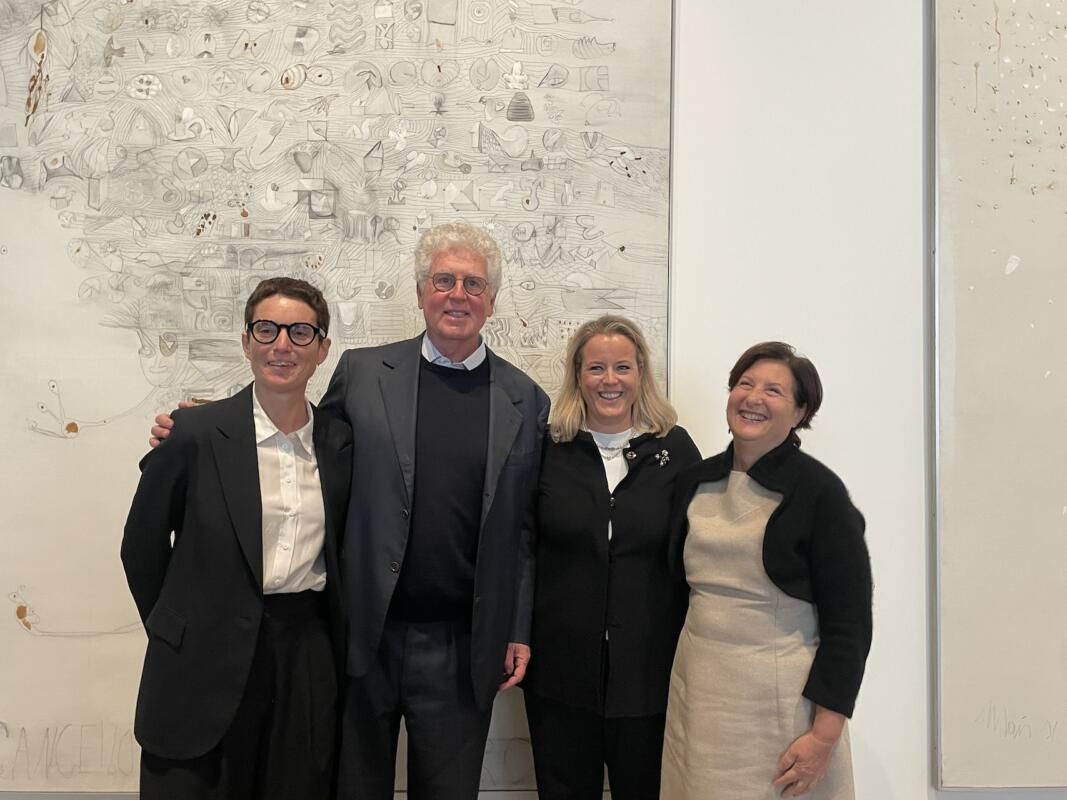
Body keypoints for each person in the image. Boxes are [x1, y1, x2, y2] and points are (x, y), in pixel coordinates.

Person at [150, 223, 549, 799]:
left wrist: (517, 629)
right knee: (351, 788)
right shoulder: (362, 373)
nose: (457, 294)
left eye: (473, 283)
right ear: (420, 292)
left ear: (492, 299)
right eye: (443, 280)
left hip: (462, 647)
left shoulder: (525, 399)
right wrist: (207, 425)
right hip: (361, 633)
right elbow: (307, 441)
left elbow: (525, 532)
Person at [121, 277, 352, 799]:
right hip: (200, 657)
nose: (282, 345)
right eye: (266, 329)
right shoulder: (193, 433)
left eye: (300, 332)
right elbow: (141, 545)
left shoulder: (341, 444)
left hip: (303, 659)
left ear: (322, 349)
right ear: (247, 341)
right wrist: (175, 627)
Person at [660, 341, 872, 799]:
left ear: (800, 411)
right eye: (744, 384)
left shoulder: (820, 494)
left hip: (780, 711)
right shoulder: (694, 481)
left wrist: (824, 736)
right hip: (697, 696)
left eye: (773, 391)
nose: (753, 398)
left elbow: (850, 624)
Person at [522, 315, 701, 799]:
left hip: (649, 667)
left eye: (622, 367)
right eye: (596, 368)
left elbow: (697, 555)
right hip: (560, 668)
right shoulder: (548, 447)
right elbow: (520, 548)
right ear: (577, 375)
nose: (610, 381)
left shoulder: (675, 449)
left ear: (641, 372)